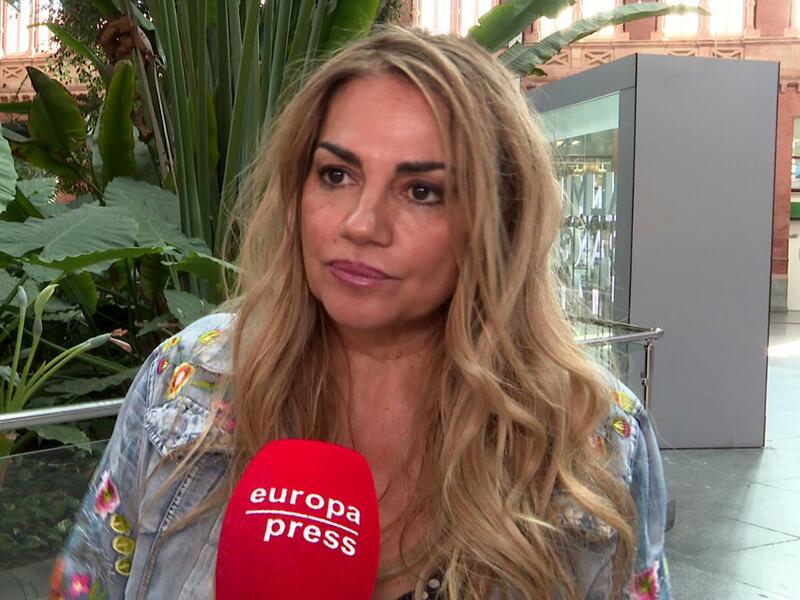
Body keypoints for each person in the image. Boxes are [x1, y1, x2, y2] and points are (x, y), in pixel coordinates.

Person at [50, 26, 670, 600]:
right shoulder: (188, 381)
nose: (361, 224)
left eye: (422, 191)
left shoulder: (593, 439)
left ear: (499, 220)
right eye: (336, 174)